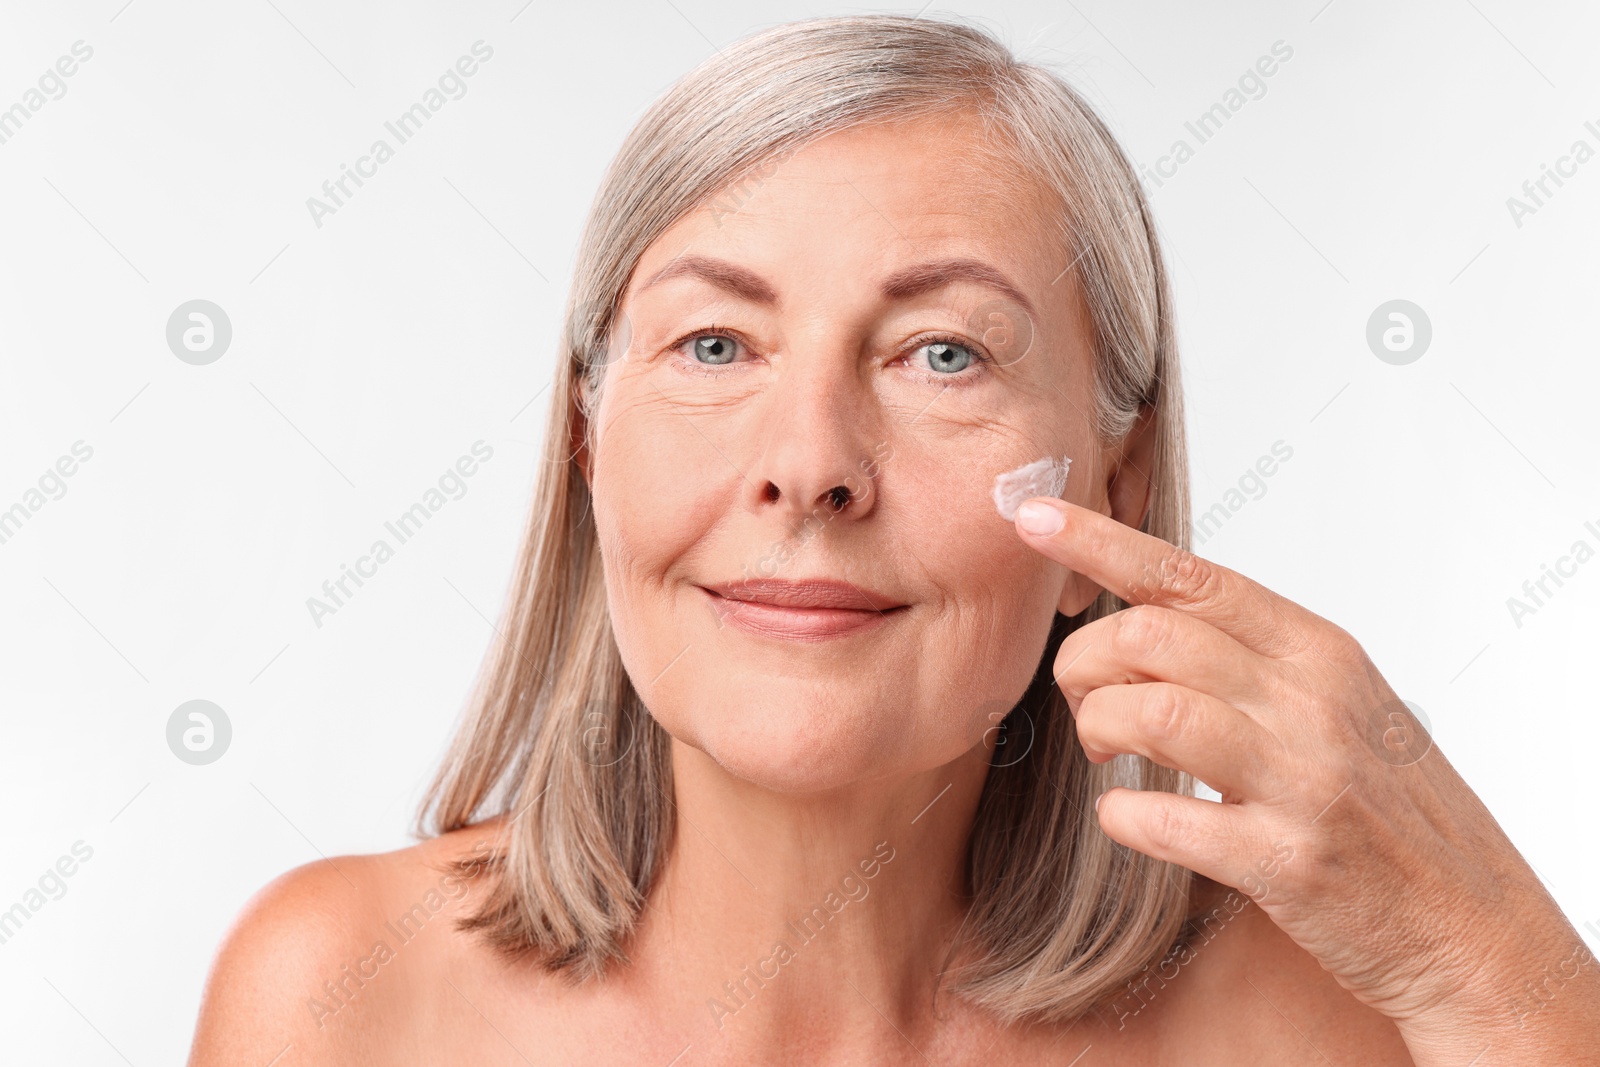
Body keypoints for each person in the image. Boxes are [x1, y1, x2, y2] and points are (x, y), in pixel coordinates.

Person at [188, 14, 1599, 1064]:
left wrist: (1495, 968)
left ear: (1116, 471)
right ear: (584, 442)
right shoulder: (341, 1002)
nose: (808, 468)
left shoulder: (1322, 1026)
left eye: (942, 356)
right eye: (716, 340)